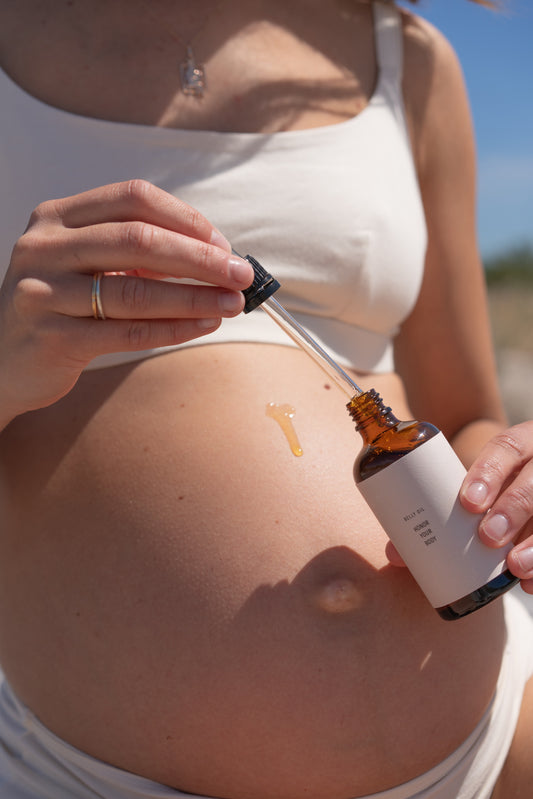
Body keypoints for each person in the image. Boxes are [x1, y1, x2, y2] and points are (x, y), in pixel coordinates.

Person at [0, 0, 532, 797]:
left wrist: (511, 480)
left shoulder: (408, 56)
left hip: (492, 735)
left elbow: (463, 416)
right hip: (80, 772)